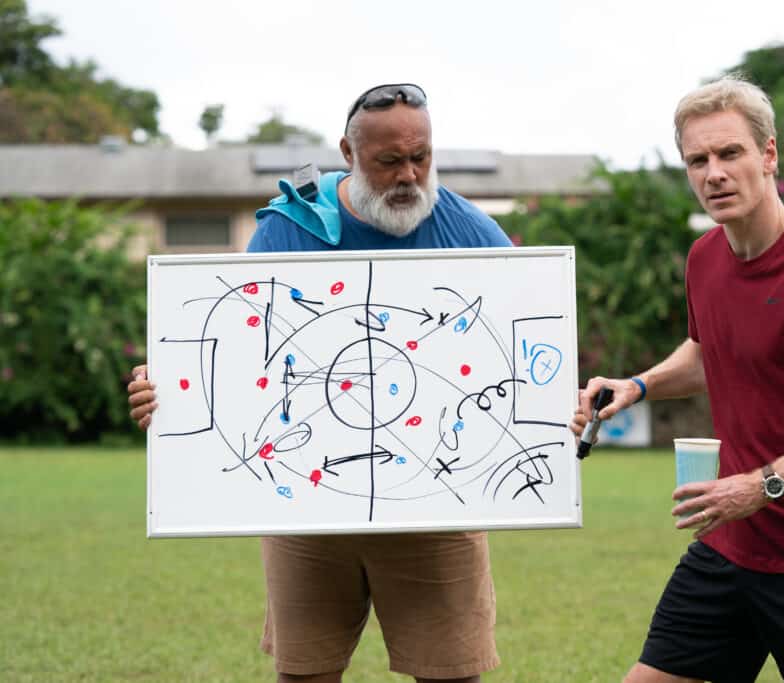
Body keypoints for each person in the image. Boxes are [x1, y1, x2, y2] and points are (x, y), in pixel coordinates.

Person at [128, 83, 511, 683]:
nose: (409, 175)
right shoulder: (288, 228)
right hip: (305, 499)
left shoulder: (473, 233)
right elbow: (231, 345)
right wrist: (169, 390)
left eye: (422, 157)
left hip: (436, 504)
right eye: (389, 162)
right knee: (305, 673)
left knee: (452, 673)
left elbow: (514, 348)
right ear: (348, 154)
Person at [573, 74, 784, 683]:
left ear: (769, 154)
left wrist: (761, 485)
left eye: (730, 153)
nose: (713, 173)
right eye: (697, 160)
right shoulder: (706, 257)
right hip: (727, 545)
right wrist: (635, 386)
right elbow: (705, 353)